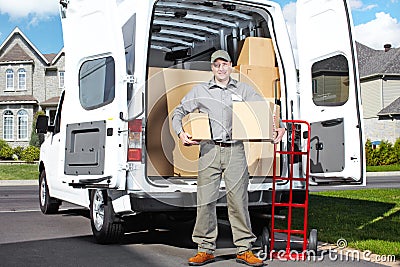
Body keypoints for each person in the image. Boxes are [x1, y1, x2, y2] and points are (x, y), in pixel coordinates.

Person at [172, 50, 285, 266]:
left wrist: (280, 127)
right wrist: (180, 132)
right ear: (211, 68)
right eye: (216, 65)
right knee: (205, 200)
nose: (221, 68)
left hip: (235, 150)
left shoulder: (243, 89)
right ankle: (205, 249)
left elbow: (266, 110)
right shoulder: (201, 90)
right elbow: (178, 111)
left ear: (231, 66)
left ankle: (244, 249)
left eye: (224, 64)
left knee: (238, 201)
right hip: (209, 150)